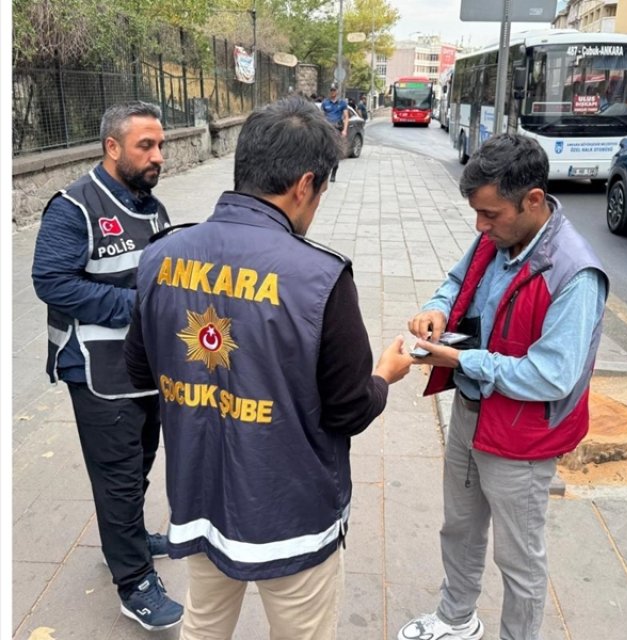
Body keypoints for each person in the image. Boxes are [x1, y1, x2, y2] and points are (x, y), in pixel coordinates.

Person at [123, 96, 416, 638]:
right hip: (292, 513)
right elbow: (349, 407)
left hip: (199, 498)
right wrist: (385, 376)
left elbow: (141, 373)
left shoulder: (161, 255)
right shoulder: (320, 277)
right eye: (322, 192)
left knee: (203, 624)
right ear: (305, 185)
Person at [398, 133, 608, 640]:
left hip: (521, 438)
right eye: (477, 213)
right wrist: (437, 308)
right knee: (461, 527)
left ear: (533, 200)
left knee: (520, 558)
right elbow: (457, 280)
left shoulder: (574, 274)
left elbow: (551, 375)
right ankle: (456, 618)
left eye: (490, 214)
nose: (480, 225)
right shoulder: (497, 237)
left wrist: (465, 359)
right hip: (472, 410)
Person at [31, 101, 183, 631]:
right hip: (95, 372)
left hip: (141, 368)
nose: (157, 155)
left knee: (139, 463)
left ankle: (128, 539)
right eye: (146, 145)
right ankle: (134, 580)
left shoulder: (151, 206)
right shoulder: (73, 206)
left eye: (160, 144)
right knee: (117, 476)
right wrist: (136, 310)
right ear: (112, 147)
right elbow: (50, 281)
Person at [320, 85, 349, 181]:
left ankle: (333, 174)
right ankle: (325, 173)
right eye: (331, 90)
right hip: (327, 130)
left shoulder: (342, 103)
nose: (332, 92)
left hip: (337, 130)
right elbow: (321, 116)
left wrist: (344, 130)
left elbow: (346, 117)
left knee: (336, 152)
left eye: (334, 90)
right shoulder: (325, 103)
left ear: (337, 91)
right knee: (325, 152)